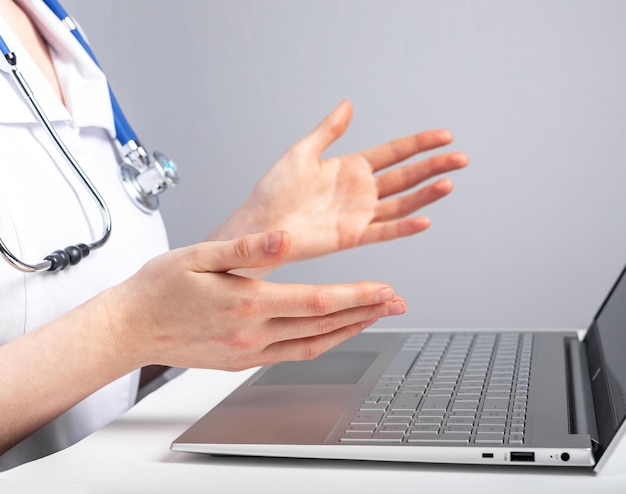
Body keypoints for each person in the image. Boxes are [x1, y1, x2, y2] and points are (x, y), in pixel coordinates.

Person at [0, 0, 469, 471]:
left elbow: (99, 379)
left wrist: (255, 234)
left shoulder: (47, 24)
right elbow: (119, 329)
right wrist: (125, 329)